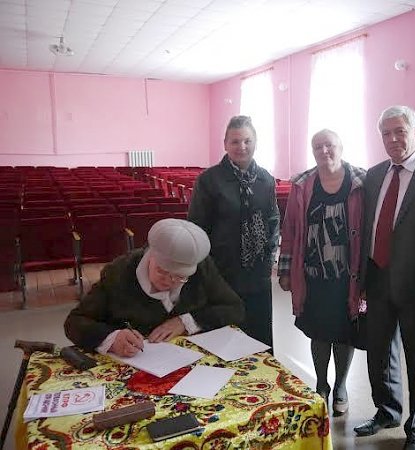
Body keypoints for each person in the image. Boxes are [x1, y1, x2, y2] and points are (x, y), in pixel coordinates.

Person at [355, 105, 415, 450]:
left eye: (400, 131)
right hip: (378, 280)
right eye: (386, 133)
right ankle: (387, 411)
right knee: (379, 354)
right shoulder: (373, 175)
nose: (393, 139)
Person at [278, 129, 366, 416]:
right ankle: (321, 383)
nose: (324, 151)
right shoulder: (303, 185)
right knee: (319, 333)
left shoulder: (360, 181)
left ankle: (340, 386)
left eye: (329, 145)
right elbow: (290, 229)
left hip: (348, 275)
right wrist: (286, 270)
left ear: (341, 147)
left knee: (344, 333)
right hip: (313, 274)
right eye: (318, 146)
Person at [64, 218, 245, 357]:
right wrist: (112, 338)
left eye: (180, 277)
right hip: (135, 362)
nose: (169, 281)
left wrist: (185, 321)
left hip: (189, 361)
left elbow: (234, 308)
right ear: (151, 257)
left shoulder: (201, 267)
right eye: (162, 272)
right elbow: (75, 322)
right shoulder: (119, 273)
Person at [188, 115, 279, 348]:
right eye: (235, 141)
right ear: (225, 144)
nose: (242, 147)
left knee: (258, 337)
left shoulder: (265, 179)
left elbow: (272, 219)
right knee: (225, 339)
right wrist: (205, 272)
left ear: (255, 142)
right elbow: (197, 229)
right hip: (222, 274)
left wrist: (268, 259)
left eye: (247, 141)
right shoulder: (209, 180)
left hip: (257, 273)